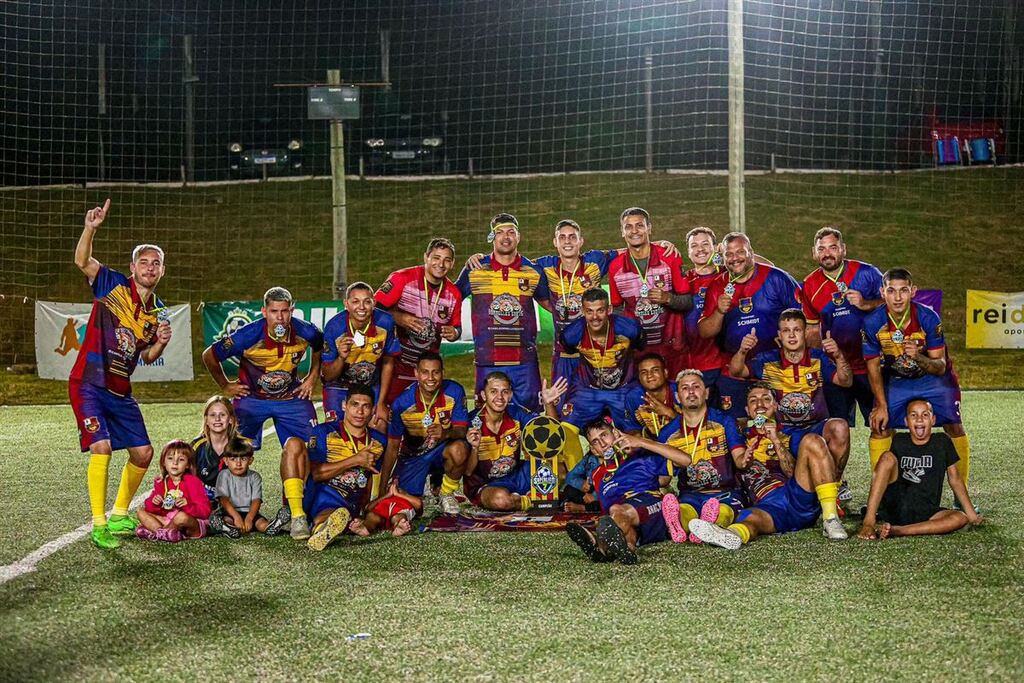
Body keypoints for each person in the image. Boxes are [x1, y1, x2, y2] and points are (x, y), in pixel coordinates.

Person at [71, 198, 173, 549]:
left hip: (120, 389)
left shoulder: (159, 312)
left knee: (143, 453)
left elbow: (146, 355)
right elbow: (82, 261)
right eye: (144, 262)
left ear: (162, 271)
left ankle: (118, 514)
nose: (149, 267)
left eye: (155, 263)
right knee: (102, 446)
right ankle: (99, 524)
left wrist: (160, 343)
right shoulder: (112, 284)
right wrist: (90, 228)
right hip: (88, 382)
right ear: (133, 266)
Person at [201, 286, 322, 540]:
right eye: (274, 311)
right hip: (252, 400)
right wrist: (225, 385)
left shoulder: (306, 331)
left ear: (292, 310)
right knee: (229, 449)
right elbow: (209, 355)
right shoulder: (247, 335)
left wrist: (312, 377)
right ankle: (219, 509)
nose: (280, 317)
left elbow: (319, 346)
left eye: (285, 311)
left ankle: (296, 512)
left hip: (291, 398)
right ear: (264, 311)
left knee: (307, 450)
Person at [687, 382, 848, 549]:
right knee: (750, 519)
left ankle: (831, 517)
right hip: (767, 505)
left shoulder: (789, 434)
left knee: (812, 440)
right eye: (753, 400)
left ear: (776, 406)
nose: (760, 404)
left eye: (766, 399)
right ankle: (731, 535)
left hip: (796, 496)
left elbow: (792, 472)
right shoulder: (738, 439)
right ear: (747, 410)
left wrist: (776, 441)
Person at [862, 268, 972, 492]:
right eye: (892, 291)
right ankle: (882, 494)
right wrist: (881, 406)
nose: (898, 297)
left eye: (903, 290)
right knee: (879, 426)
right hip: (896, 380)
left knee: (954, 425)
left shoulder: (928, 317)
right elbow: (872, 368)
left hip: (932, 379)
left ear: (913, 291)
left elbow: (940, 367)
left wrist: (918, 357)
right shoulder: (873, 322)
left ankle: (963, 496)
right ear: (883, 293)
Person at [727, 308, 853, 497]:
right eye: (786, 330)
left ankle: (835, 483)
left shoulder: (818, 358)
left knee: (840, 427)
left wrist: (838, 356)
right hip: (782, 431)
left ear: (805, 332)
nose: (792, 335)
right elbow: (736, 371)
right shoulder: (767, 360)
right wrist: (743, 350)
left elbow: (846, 381)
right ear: (779, 335)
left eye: (797, 330)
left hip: (814, 427)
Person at [697, 232, 802, 419]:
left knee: (786, 425)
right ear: (723, 258)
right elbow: (704, 332)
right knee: (736, 426)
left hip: (777, 368)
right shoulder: (717, 286)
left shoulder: (776, 278)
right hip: (735, 369)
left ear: (751, 253)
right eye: (729, 254)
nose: (735, 258)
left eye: (740, 252)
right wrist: (719, 312)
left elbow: (804, 316)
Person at [455, 214, 550, 410]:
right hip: (488, 358)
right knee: (487, 419)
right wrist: (453, 328)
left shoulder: (533, 271)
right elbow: (452, 299)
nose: (505, 237)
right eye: (500, 233)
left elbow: (550, 305)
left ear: (518, 237)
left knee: (528, 417)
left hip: (524, 360)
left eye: (511, 232)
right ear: (492, 237)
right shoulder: (475, 269)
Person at [564, 420, 692, 565]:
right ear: (594, 450)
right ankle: (628, 549)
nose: (602, 444)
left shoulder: (641, 457)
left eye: (604, 435)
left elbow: (686, 460)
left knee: (616, 511)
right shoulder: (597, 474)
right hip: (629, 522)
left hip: (652, 508)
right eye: (595, 442)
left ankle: (600, 548)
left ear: (616, 433)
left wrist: (641, 442)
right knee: (618, 521)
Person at [858, 399, 982, 540]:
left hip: (928, 512)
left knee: (960, 518)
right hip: (896, 509)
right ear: (906, 421)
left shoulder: (942, 441)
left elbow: (955, 480)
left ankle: (899, 531)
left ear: (933, 420)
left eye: (925, 415)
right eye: (913, 415)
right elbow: (886, 472)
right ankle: (868, 522)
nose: (919, 420)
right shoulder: (899, 441)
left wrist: (972, 516)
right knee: (886, 457)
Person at [800, 226, 884, 427]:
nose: (827, 253)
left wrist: (867, 304)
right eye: (821, 249)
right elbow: (811, 330)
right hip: (836, 367)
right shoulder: (810, 284)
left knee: (880, 424)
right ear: (814, 253)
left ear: (843, 249)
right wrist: (817, 363)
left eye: (833, 247)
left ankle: (885, 459)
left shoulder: (867, 273)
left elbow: (896, 304)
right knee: (836, 428)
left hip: (870, 364)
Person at [657, 369, 746, 544]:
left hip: (725, 493)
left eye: (696, 386)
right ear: (677, 397)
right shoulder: (668, 433)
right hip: (690, 494)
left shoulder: (724, 422)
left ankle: (705, 526)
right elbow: (664, 478)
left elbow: (739, 459)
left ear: (706, 393)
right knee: (683, 509)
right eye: (685, 388)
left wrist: (746, 457)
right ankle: (684, 526)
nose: (691, 392)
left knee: (724, 512)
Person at [378, 351, 470, 515]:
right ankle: (425, 484)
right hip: (414, 457)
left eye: (435, 372)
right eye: (425, 372)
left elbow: (462, 431)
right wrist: (382, 488)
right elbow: (392, 446)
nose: (431, 378)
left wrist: (445, 433)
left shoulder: (454, 391)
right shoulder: (401, 404)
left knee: (459, 449)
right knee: (408, 503)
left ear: (443, 373)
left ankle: (446, 493)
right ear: (416, 374)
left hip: (441, 451)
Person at [375, 238, 463, 404]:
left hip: (426, 372)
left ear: (452, 264)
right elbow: (373, 309)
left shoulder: (453, 294)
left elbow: (457, 328)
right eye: (436, 258)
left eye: (447, 260)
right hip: (394, 365)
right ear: (426, 257)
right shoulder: (402, 278)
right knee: (386, 416)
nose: (441, 264)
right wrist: (399, 317)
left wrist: (454, 333)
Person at [463, 371, 568, 512]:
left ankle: (522, 498)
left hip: (517, 475)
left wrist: (548, 404)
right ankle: (536, 500)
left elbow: (550, 433)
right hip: (487, 485)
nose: (499, 397)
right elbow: (468, 471)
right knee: (501, 500)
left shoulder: (516, 413)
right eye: (493, 391)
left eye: (505, 392)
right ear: (483, 395)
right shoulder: (471, 422)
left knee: (559, 471)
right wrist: (475, 448)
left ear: (510, 395)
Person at [607, 207, 693, 377]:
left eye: (639, 225)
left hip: (672, 347)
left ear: (649, 228)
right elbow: (618, 310)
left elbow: (688, 302)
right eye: (628, 227)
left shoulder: (669, 257)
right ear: (622, 232)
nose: (634, 231)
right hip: (639, 349)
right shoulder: (615, 267)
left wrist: (668, 298)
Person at [303, 385, 388, 551]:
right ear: (344, 405)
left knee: (343, 515)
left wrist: (366, 509)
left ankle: (330, 528)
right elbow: (316, 474)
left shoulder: (379, 441)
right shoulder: (323, 432)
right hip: (324, 492)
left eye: (366, 406)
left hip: (352, 501)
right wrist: (355, 460)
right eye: (354, 404)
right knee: (327, 513)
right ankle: (320, 530)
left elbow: (370, 478)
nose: (360, 412)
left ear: (373, 410)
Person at [558, 288, 645, 428]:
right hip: (586, 388)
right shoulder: (571, 335)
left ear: (609, 309)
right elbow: (569, 349)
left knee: (634, 431)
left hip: (623, 387)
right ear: (582, 311)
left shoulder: (630, 329)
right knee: (567, 430)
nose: (595, 317)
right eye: (589, 311)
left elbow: (640, 347)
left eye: (600, 310)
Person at [321, 281, 401, 429]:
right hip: (340, 387)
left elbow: (388, 362)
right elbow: (327, 376)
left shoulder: (386, 322)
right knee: (334, 433)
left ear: (374, 302)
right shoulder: (334, 327)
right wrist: (341, 357)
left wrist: (381, 402)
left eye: (367, 302)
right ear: (346, 303)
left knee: (380, 424)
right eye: (355, 302)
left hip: (370, 386)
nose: (362, 307)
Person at [682, 227, 729, 398]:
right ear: (688, 252)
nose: (700, 249)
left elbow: (767, 267)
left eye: (705, 244)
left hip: (728, 363)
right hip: (697, 363)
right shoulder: (683, 282)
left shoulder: (730, 274)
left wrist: (730, 252)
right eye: (694, 246)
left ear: (716, 247)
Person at [135, 440, 212, 542]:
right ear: (163, 462)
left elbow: (205, 511)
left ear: (188, 465)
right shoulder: (161, 481)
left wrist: (188, 505)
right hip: (168, 520)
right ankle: (164, 533)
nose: (175, 463)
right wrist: (155, 503)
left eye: (181, 460)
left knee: (181, 517)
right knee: (141, 512)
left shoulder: (193, 482)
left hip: (190, 524)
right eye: (170, 458)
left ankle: (156, 532)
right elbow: (152, 509)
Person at [209, 436, 270, 539]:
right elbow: (224, 500)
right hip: (229, 513)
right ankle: (228, 528)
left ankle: (272, 526)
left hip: (249, 512)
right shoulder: (224, 475)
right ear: (226, 461)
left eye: (243, 459)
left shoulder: (255, 477)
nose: (238, 463)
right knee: (225, 520)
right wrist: (236, 517)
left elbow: (256, 500)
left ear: (250, 460)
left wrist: (249, 518)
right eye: (233, 459)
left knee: (261, 524)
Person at [621, 352, 681, 439]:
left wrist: (670, 413)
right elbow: (632, 428)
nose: (649, 375)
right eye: (644, 372)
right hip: (652, 448)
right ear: (639, 378)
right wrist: (635, 436)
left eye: (655, 370)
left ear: (665, 373)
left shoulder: (680, 391)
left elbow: (698, 424)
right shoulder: (633, 397)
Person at [190, 396, 238, 503]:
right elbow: (187, 478)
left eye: (222, 415)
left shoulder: (239, 445)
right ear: (206, 420)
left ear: (230, 419)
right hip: (201, 500)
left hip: (230, 502)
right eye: (212, 415)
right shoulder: (196, 446)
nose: (217, 419)